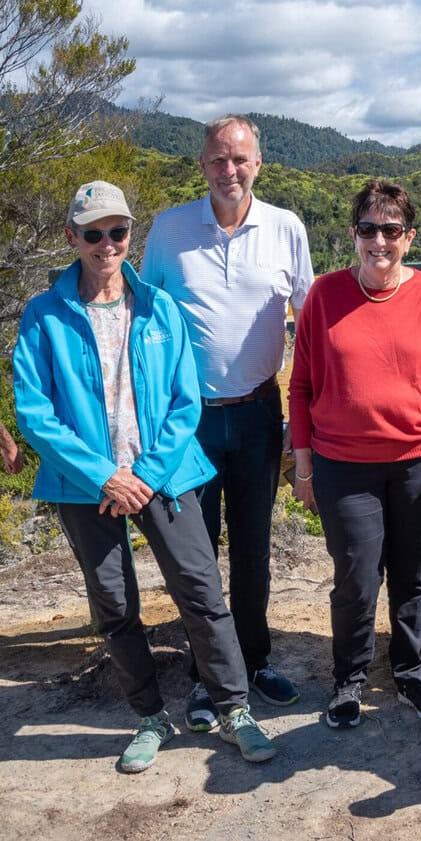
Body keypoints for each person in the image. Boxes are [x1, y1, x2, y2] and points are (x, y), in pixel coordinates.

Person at [12, 181, 275, 772]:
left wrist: (146, 474)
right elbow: (34, 411)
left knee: (201, 593)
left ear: (132, 235)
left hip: (166, 476)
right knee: (113, 603)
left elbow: (186, 403)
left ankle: (235, 710)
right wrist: (107, 475)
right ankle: (151, 716)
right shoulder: (44, 315)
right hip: (87, 486)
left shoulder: (160, 306)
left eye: (118, 231)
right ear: (71, 238)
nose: (108, 244)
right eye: (93, 233)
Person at [140, 114, 314, 727]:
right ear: (202, 165)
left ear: (258, 164)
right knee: (196, 555)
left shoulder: (286, 228)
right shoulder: (170, 230)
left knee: (252, 548)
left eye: (240, 159)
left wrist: (307, 419)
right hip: (186, 421)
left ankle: (255, 661)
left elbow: (310, 321)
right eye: (218, 159)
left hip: (261, 412)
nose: (229, 170)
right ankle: (205, 676)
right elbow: (140, 320)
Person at [289, 179, 421, 730]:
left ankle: (409, 673)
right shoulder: (324, 295)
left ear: (408, 237)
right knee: (356, 577)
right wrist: (302, 465)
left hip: (419, 461)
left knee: (413, 576)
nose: (379, 241)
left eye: (390, 230)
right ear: (353, 235)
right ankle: (348, 679)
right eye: (368, 229)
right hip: (343, 465)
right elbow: (300, 387)